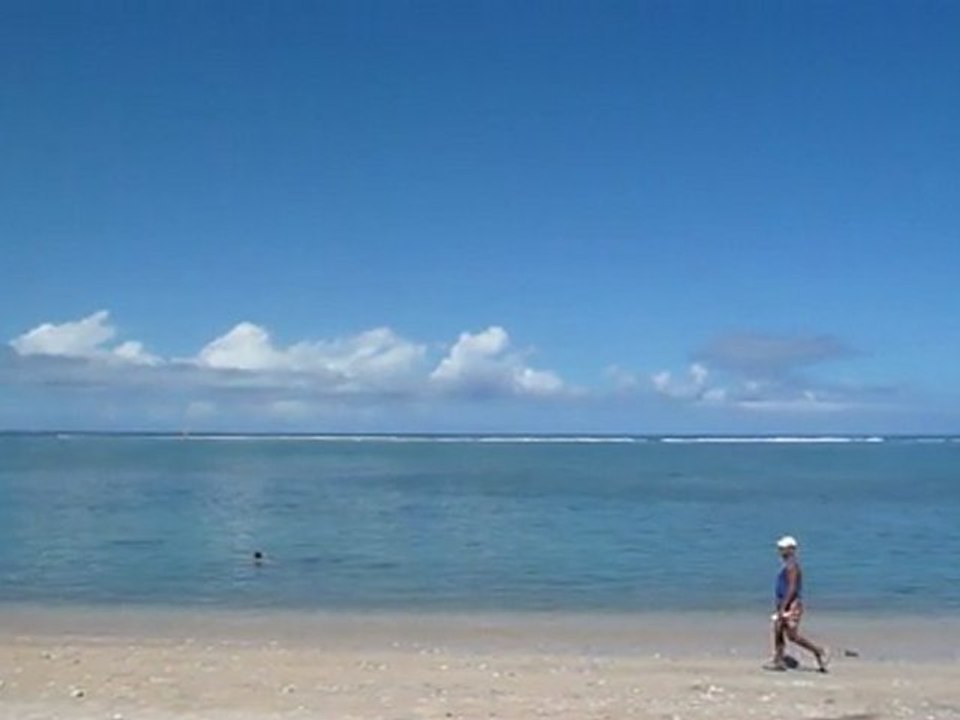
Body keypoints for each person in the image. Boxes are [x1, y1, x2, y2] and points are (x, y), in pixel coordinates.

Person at [766, 535, 829, 672]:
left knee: (792, 635)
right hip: (785, 603)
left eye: (783, 549)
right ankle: (779, 660)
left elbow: (792, 588)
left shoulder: (793, 567)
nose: (780, 551)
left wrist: (784, 606)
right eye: (780, 548)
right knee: (778, 629)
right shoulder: (787, 566)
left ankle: (818, 651)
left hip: (792, 605)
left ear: (791, 550)